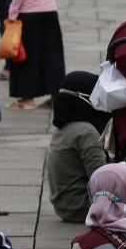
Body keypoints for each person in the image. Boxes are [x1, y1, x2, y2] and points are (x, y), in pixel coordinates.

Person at [44, 72, 111, 223]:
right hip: (81, 207)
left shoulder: (65, 129)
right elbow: (101, 179)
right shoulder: (85, 132)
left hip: (66, 207)